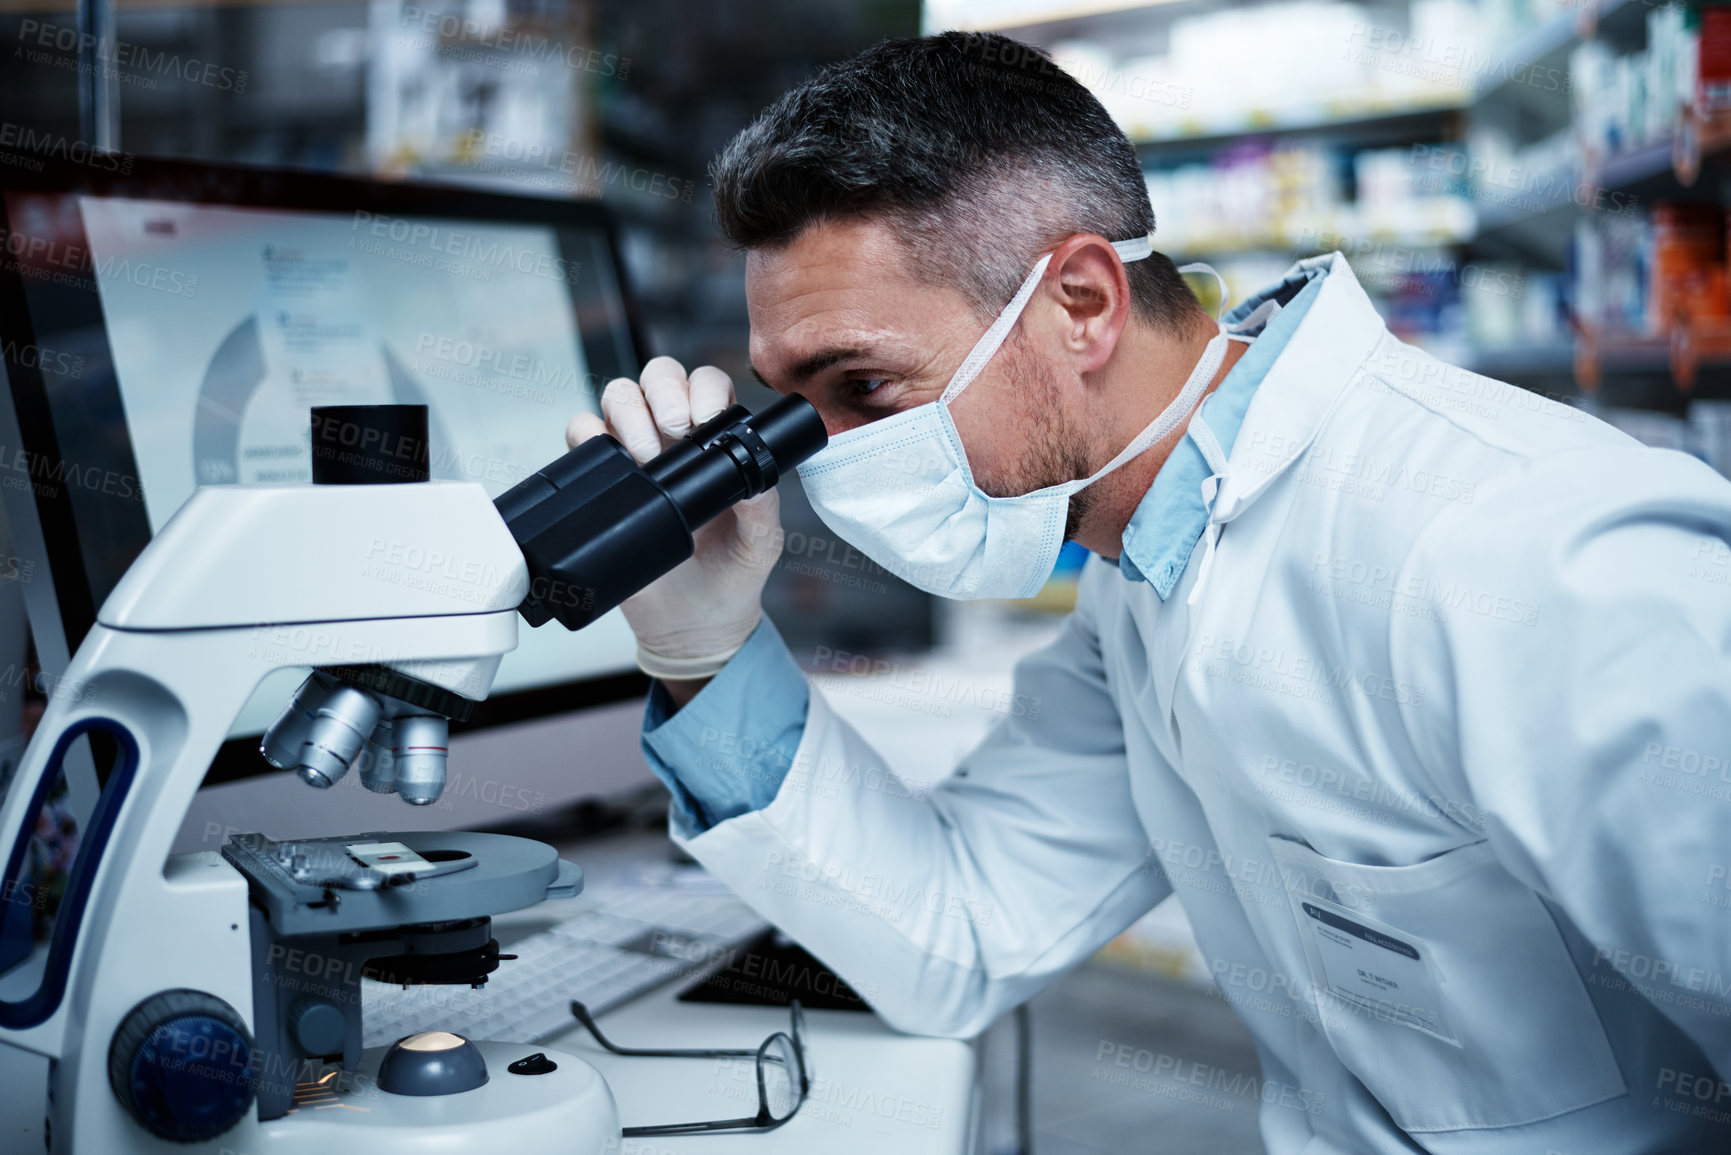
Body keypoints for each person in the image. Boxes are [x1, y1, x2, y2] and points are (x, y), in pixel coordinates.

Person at [565, 31, 1731, 1153]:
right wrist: (703, 649)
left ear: (1080, 303)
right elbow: (966, 931)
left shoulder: (1524, 555)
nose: (829, 456)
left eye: (865, 386)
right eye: (794, 405)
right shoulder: (1143, 573)